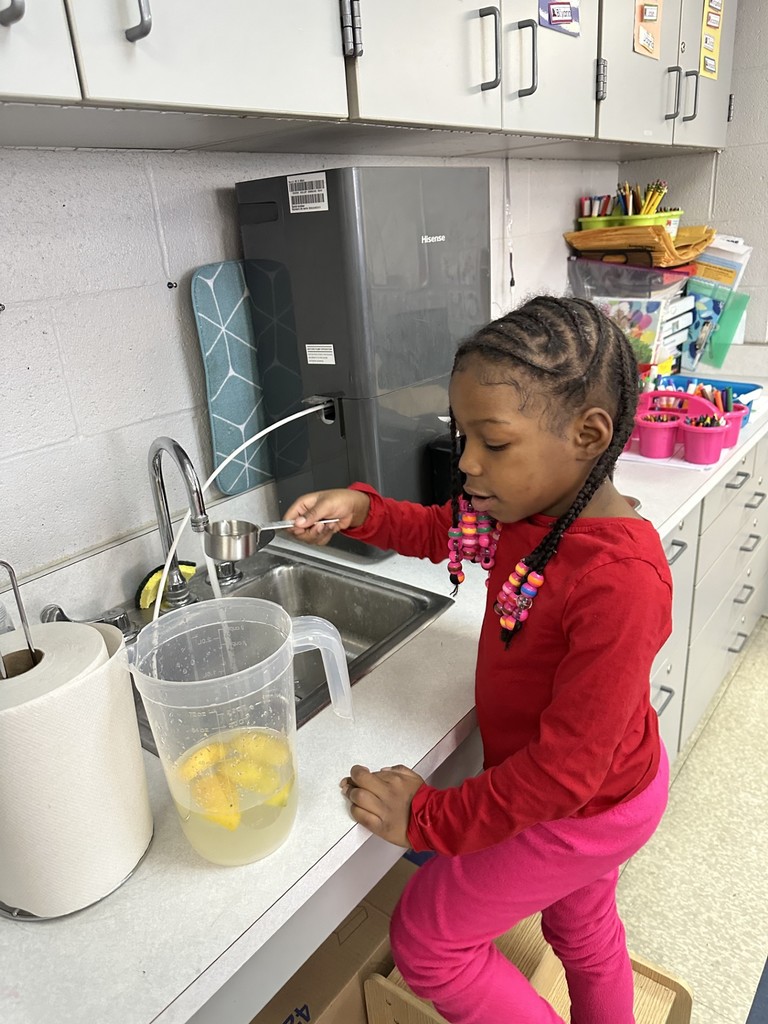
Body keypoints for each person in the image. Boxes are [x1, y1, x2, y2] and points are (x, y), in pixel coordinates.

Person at [284, 295, 672, 1024]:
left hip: (589, 806)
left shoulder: (620, 583)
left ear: (588, 434)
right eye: (461, 436)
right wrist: (365, 510)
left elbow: (562, 776)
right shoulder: (530, 514)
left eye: (492, 442)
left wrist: (428, 817)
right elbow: (444, 531)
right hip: (600, 788)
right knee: (580, 929)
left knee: (429, 937)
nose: (466, 462)